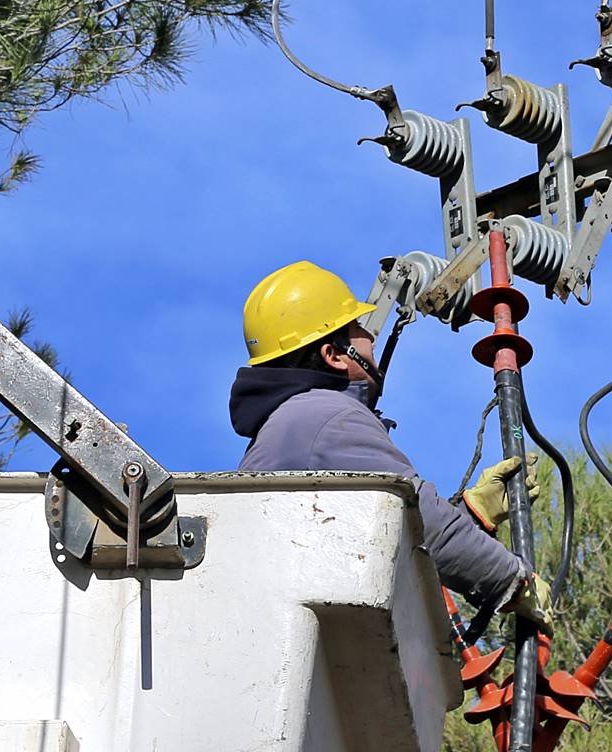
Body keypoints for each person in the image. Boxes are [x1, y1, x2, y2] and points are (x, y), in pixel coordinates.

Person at [229, 260, 553, 633]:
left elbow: (387, 536)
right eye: (357, 328)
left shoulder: (291, 425)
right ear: (334, 355)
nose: (371, 337)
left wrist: (474, 512)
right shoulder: (328, 417)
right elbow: (412, 519)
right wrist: (513, 581)